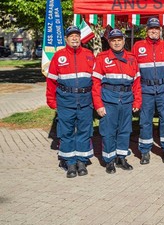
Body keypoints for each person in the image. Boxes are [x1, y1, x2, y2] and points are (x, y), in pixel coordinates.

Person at [46, 25, 95, 178]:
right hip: (65, 101)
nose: (74, 38)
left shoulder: (88, 55)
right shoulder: (58, 56)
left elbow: (95, 80)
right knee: (66, 132)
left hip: (85, 101)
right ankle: (70, 162)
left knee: (84, 131)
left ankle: (81, 161)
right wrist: (51, 100)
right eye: (71, 36)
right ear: (66, 39)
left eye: (77, 35)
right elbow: (51, 81)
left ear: (80, 38)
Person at [92, 28, 142, 174]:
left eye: (119, 40)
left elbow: (137, 82)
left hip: (126, 100)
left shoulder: (132, 58)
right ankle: (109, 160)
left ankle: (121, 157)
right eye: (113, 40)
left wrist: (137, 102)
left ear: (124, 41)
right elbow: (95, 83)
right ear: (109, 42)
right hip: (109, 101)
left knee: (125, 131)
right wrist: (98, 105)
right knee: (108, 132)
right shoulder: (102, 58)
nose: (117, 43)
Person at [132, 17, 164, 165]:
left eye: (156, 28)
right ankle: (145, 151)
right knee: (145, 121)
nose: (154, 31)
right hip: (145, 89)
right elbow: (134, 70)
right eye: (151, 29)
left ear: (160, 30)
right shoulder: (138, 46)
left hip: (163, 89)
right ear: (147, 30)